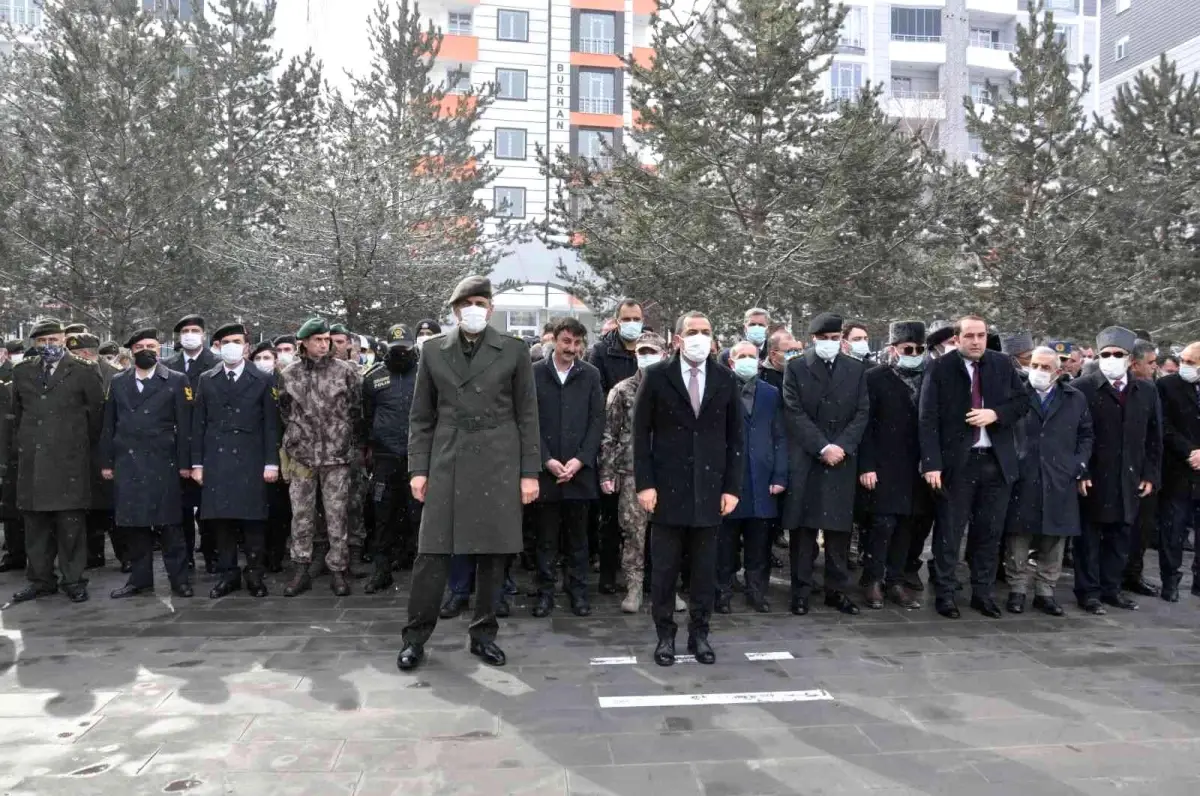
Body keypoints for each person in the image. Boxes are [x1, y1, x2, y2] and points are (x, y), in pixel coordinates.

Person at [397, 276, 541, 672]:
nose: (473, 309)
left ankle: (483, 635)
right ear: (455, 310)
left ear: (491, 308)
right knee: (432, 554)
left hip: (499, 461)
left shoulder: (514, 351)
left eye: (480, 302)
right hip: (448, 458)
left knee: (493, 554)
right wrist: (418, 468)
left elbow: (527, 415)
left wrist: (530, 472)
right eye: (466, 303)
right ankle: (414, 637)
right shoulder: (433, 351)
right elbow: (421, 415)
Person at [633, 310, 743, 666]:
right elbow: (640, 436)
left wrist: (732, 487)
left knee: (704, 571)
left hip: (710, 491)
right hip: (666, 490)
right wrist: (645, 484)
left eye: (706, 331)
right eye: (693, 331)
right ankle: (665, 635)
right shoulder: (656, 376)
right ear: (678, 339)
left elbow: (735, 437)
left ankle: (700, 634)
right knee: (664, 571)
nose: (700, 337)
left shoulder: (725, 379)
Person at [919, 315, 1029, 619]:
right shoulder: (940, 368)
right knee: (949, 533)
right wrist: (931, 464)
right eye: (970, 336)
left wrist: (996, 414)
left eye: (981, 335)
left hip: (995, 461)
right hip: (957, 464)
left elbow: (1022, 402)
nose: (977, 341)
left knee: (989, 532)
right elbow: (927, 419)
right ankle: (945, 593)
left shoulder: (1002, 364)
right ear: (957, 339)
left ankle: (983, 592)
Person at [4, 318, 105, 604]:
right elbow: (18, 415)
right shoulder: (23, 371)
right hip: (33, 463)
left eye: (53, 340)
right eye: (42, 341)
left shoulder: (84, 371)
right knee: (35, 527)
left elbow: (96, 417)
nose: (48, 346)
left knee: (70, 526)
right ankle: (40, 580)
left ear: (64, 339)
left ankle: (73, 580)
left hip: (69, 462)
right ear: (35, 344)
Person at [781, 312, 869, 616]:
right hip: (808, 458)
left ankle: (837, 590)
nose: (829, 344)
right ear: (812, 340)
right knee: (804, 531)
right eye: (823, 339)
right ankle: (801, 591)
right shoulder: (795, 368)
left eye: (834, 339)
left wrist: (842, 447)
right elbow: (793, 412)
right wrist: (822, 446)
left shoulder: (856, 370)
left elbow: (861, 412)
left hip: (842, 460)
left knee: (838, 531)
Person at [1072, 326, 1161, 614]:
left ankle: (1112, 589)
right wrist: (1081, 471)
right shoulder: (1083, 387)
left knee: (1121, 535)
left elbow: (1153, 437)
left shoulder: (1145, 390)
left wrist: (1150, 473)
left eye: (1117, 354)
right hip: (1094, 475)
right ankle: (1088, 592)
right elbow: (1073, 435)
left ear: (1128, 358)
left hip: (1130, 475)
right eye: (1105, 354)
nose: (1111, 358)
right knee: (1088, 538)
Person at [101, 329, 194, 599]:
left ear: (159, 348)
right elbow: (109, 423)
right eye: (139, 346)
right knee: (134, 525)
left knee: (170, 526)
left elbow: (185, 426)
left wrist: (185, 463)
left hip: (163, 461)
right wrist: (106, 461)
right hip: (128, 461)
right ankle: (140, 579)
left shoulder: (176, 380)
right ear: (130, 351)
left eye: (150, 345)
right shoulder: (118, 382)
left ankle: (179, 580)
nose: (145, 350)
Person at [190, 323, 280, 599]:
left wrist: (271, 463)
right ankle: (228, 574)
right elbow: (198, 423)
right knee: (222, 521)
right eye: (225, 341)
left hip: (251, 457)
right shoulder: (207, 378)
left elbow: (270, 425)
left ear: (246, 346)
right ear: (217, 346)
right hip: (217, 458)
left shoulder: (263, 379)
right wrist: (197, 463)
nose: (231, 345)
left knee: (253, 521)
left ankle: (254, 574)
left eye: (237, 340)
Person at [277, 317, 364, 597]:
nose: (324, 344)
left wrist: (343, 437)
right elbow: (285, 410)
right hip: (302, 455)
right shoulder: (289, 373)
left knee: (337, 514)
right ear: (303, 342)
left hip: (336, 455)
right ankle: (301, 568)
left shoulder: (345, 371)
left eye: (327, 339)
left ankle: (338, 570)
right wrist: (297, 438)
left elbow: (355, 407)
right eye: (318, 339)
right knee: (301, 515)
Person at [1003, 347, 1093, 615]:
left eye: (1045, 367)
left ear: (1057, 371)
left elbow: (1086, 434)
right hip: (1024, 472)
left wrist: (1078, 464)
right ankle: (1017, 589)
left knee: (1054, 538)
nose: (1038, 371)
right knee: (1018, 536)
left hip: (1060, 475)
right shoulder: (1016, 394)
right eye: (1034, 365)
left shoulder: (1074, 397)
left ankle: (1045, 591)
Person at [531, 317, 605, 617]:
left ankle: (578, 593)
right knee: (545, 539)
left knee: (578, 540)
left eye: (577, 343)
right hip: (545, 472)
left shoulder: (590, 375)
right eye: (566, 341)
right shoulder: (534, 373)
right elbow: (528, 421)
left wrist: (580, 459)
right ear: (554, 342)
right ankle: (545, 593)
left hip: (579, 473)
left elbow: (596, 420)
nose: (571, 348)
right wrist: (546, 459)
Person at [857, 321, 932, 611]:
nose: (914, 353)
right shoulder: (875, 378)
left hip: (916, 467)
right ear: (894, 349)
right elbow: (865, 425)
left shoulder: (929, 377)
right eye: (908, 349)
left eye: (919, 349)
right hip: (883, 464)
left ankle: (895, 580)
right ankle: (873, 578)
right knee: (882, 524)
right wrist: (867, 465)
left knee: (906, 525)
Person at [599, 332, 674, 613]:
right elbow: (609, 434)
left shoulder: (673, 388)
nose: (647, 356)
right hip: (631, 473)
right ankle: (633, 587)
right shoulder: (621, 390)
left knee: (668, 534)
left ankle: (665, 588)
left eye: (652, 351)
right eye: (642, 352)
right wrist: (607, 472)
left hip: (667, 472)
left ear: (664, 354)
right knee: (633, 533)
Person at [718, 340, 786, 613]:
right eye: (741, 356)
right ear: (731, 362)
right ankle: (721, 591)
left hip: (763, 478)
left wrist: (780, 475)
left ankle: (756, 590)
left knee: (759, 543)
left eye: (751, 356)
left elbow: (780, 435)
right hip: (730, 480)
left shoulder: (771, 393)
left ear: (759, 361)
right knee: (725, 543)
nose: (747, 360)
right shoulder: (720, 390)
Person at [362, 324, 421, 592]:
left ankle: (421, 573)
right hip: (385, 458)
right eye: (396, 350)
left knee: (418, 516)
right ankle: (381, 570)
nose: (401, 354)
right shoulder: (373, 378)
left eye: (405, 349)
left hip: (418, 458)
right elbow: (366, 416)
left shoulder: (424, 374)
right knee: (383, 515)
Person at [163, 314, 219, 574]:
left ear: (204, 334)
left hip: (208, 442)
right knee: (181, 506)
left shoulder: (216, 363)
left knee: (208, 505)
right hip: (175, 444)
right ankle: (183, 555)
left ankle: (211, 553)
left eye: (195, 330)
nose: (189, 334)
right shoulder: (168, 364)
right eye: (185, 330)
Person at [67, 331, 123, 570]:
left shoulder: (115, 376)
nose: (77, 358)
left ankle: (126, 555)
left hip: (109, 448)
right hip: (80, 450)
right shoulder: (70, 374)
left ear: (90, 354)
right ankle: (93, 554)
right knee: (87, 507)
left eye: (80, 354)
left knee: (113, 508)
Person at [1155, 342, 1200, 601]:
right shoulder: (1167, 386)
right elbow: (1164, 426)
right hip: (1177, 470)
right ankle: (1170, 580)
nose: (1185, 366)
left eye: (1191, 362)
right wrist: (1190, 451)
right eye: (1183, 360)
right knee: (1172, 531)